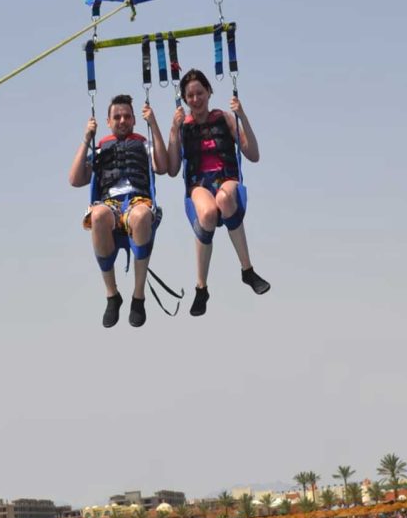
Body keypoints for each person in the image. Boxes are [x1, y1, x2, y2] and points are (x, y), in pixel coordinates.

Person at [167, 69, 269, 316]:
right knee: (209, 213)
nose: (195, 99)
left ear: (209, 92)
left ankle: (247, 270)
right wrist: (173, 130)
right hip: (199, 184)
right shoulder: (183, 127)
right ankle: (201, 287)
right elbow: (171, 170)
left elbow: (253, 154)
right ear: (184, 99)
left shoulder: (224, 118)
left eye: (199, 93)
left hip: (227, 180)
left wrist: (241, 115)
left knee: (223, 199)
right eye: (190, 95)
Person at [69, 94, 168, 327]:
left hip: (138, 201)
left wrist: (153, 124)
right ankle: (112, 295)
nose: (122, 120)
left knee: (143, 215)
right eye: (117, 117)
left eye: (126, 116)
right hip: (110, 205)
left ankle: (138, 296)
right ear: (108, 121)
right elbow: (74, 179)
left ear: (134, 120)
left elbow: (163, 167)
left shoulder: (144, 144)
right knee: (97, 215)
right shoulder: (101, 149)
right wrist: (86, 139)